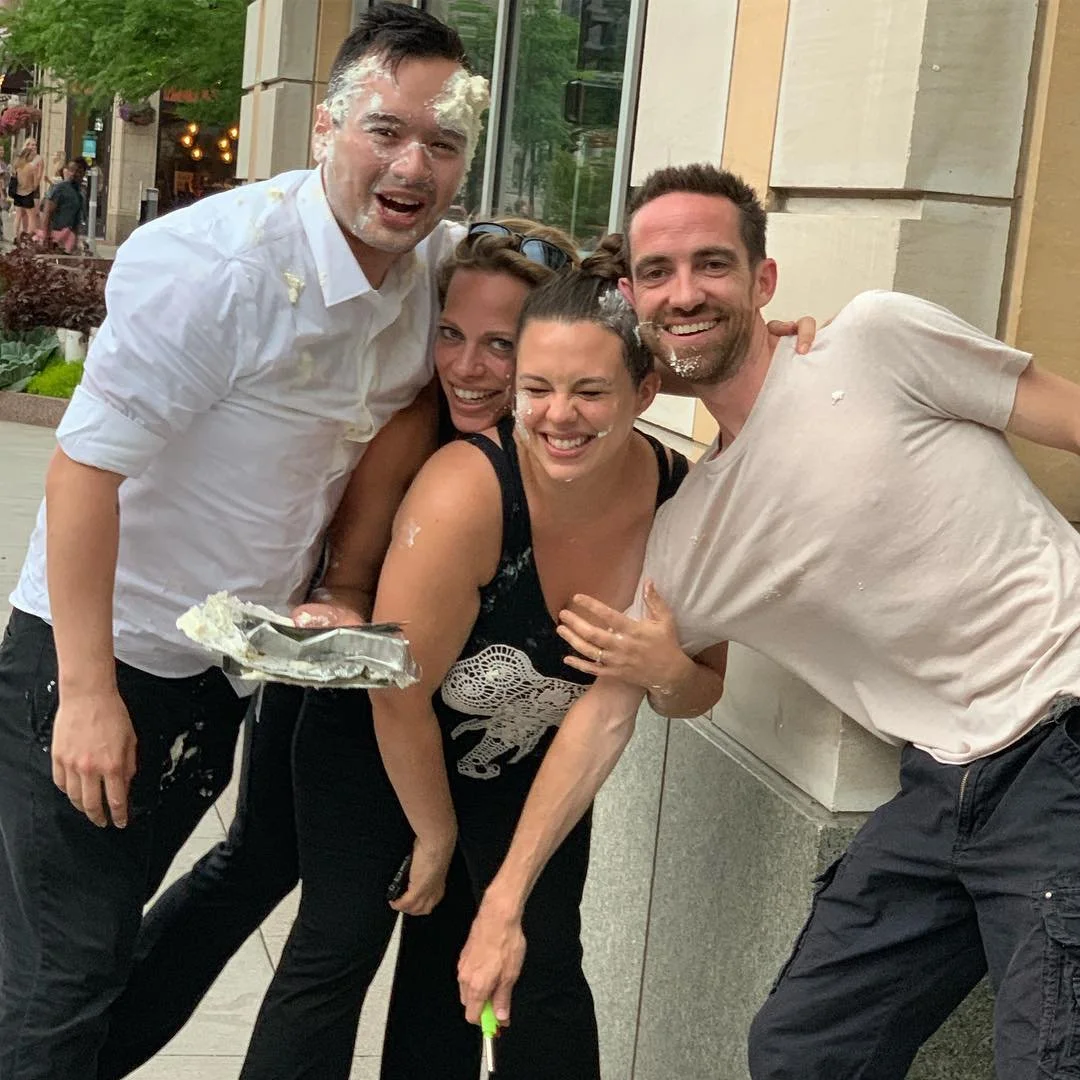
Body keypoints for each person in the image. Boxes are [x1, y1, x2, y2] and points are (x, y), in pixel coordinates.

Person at [455, 162, 1080, 1079]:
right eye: (659, 272)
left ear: (764, 280)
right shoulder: (691, 534)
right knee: (803, 1052)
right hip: (940, 787)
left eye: (713, 264)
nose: (686, 292)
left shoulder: (876, 339)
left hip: (1061, 730)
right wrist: (502, 905)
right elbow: (605, 713)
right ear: (631, 298)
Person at [0, 4, 488, 1077]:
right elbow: (84, 471)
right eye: (386, 131)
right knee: (63, 976)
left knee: (104, 954)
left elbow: (561, 298)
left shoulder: (437, 270)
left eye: (443, 144)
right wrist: (86, 695)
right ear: (326, 127)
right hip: (98, 655)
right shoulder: (216, 267)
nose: (413, 164)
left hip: (226, 669)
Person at [36, 158, 87, 253]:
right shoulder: (60, 188)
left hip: (67, 239)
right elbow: (47, 212)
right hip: (54, 236)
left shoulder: (79, 194)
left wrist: (75, 240)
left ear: (83, 174)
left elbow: (76, 221)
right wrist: (46, 237)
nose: (73, 174)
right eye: (71, 170)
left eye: (78, 171)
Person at [11, 136, 43, 239]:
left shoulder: (35, 159)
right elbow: (35, 178)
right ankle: (25, 237)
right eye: (31, 144)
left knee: (25, 215)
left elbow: (39, 176)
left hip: (23, 191)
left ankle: (20, 237)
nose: (33, 146)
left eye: (35, 145)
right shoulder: (27, 162)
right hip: (27, 190)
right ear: (27, 145)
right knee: (28, 215)